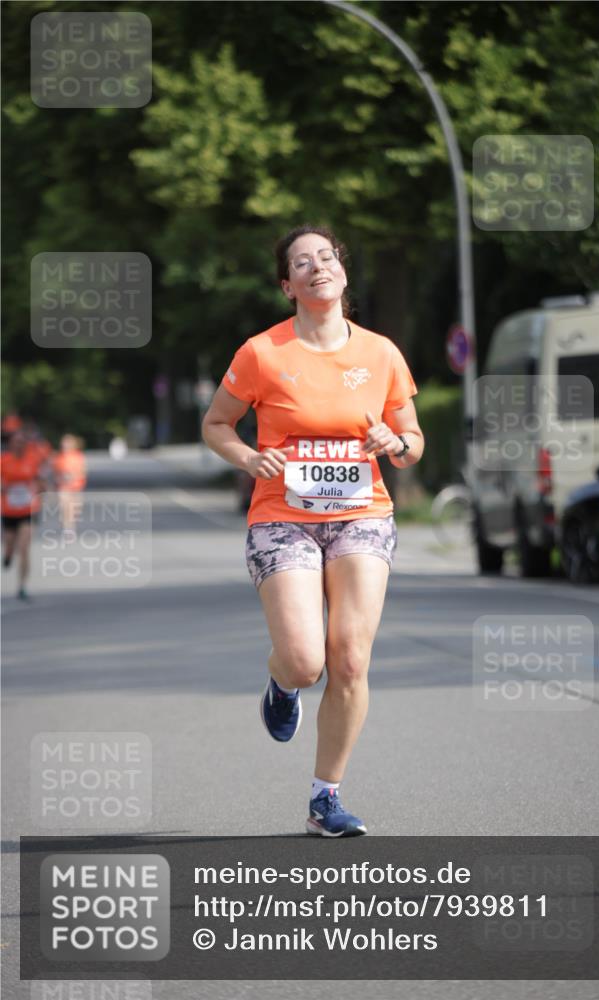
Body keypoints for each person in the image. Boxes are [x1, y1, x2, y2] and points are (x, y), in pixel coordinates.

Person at [202, 225, 424, 837]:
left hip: (362, 513)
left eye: (327, 257)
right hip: (283, 516)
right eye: (302, 262)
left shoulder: (381, 353)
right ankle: (282, 683)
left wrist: (396, 441)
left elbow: (412, 443)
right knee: (306, 663)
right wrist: (249, 457)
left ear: (343, 272)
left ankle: (326, 798)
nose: (317, 266)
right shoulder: (262, 353)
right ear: (287, 285)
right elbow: (217, 423)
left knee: (349, 659)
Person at [1, 430, 46, 600]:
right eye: (16, 442)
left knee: (24, 548)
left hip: (28, 509)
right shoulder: (3, 461)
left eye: (22, 442)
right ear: (10, 444)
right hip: (9, 509)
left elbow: (41, 482)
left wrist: (40, 489)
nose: (19, 445)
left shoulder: (33, 460)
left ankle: (22, 586)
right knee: (10, 544)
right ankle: (7, 555)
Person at [51, 434, 87, 536]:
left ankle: (71, 524)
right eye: (64, 443)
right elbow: (55, 473)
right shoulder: (59, 457)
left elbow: (83, 471)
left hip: (76, 486)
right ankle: (68, 528)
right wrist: (60, 479)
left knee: (75, 509)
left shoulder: (78, 456)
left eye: (68, 443)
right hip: (64, 487)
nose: (66, 445)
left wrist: (74, 476)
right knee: (66, 507)